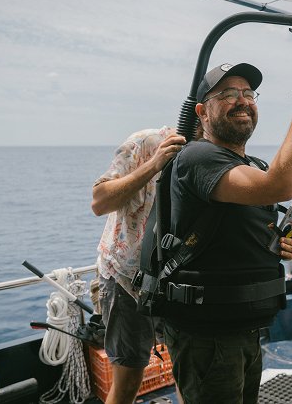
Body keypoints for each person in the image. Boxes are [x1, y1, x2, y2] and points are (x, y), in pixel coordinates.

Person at [163, 62, 292, 404]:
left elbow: (255, 215)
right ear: (202, 113)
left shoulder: (250, 166)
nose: (242, 100)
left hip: (245, 328)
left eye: (247, 93)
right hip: (208, 335)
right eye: (227, 94)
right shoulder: (197, 157)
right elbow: (280, 186)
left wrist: (285, 240)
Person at [90, 126, 186, 404]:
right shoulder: (147, 142)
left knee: (187, 370)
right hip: (125, 278)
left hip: (175, 281)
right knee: (129, 377)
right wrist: (154, 165)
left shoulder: (216, 155)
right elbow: (99, 202)